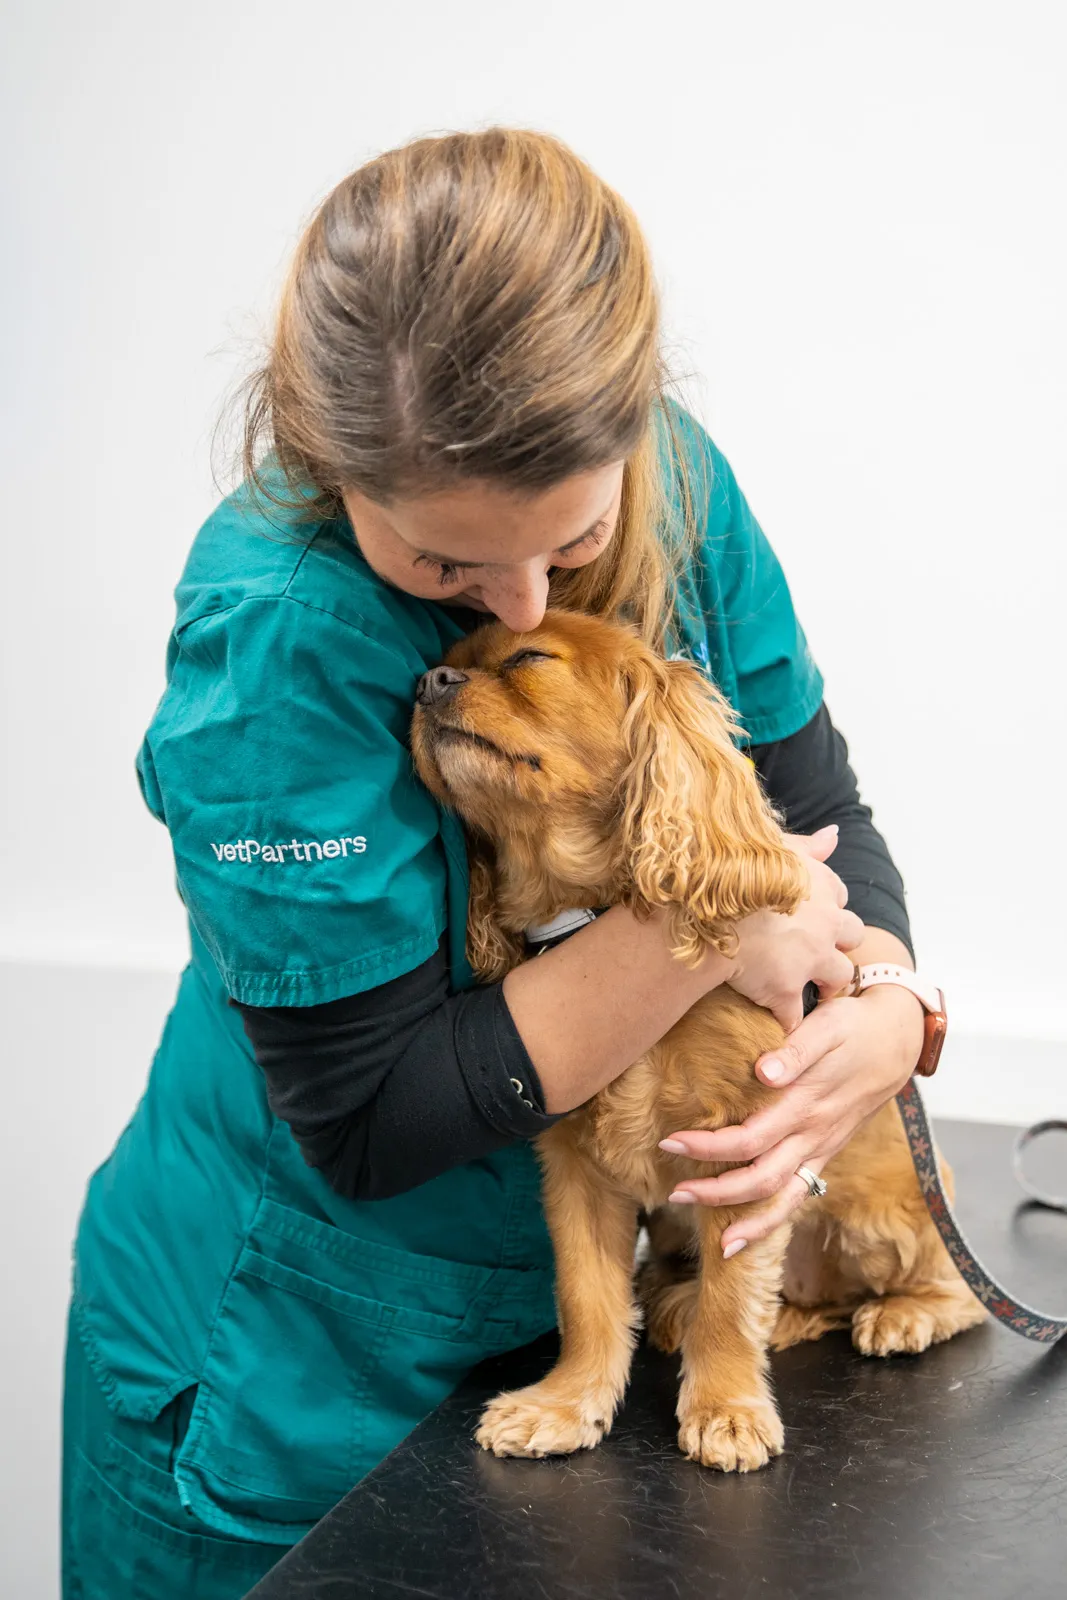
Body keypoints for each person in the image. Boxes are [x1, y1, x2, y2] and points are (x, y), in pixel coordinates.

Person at [61, 126, 925, 1598]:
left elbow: (826, 818)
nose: (520, 601)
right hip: (305, 1369)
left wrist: (892, 1013)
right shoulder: (281, 638)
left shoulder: (678, 481)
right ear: (336, 475)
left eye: (574, 542)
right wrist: (721, 919)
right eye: (443, 573)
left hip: (598, 1342)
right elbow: (375, 1116)